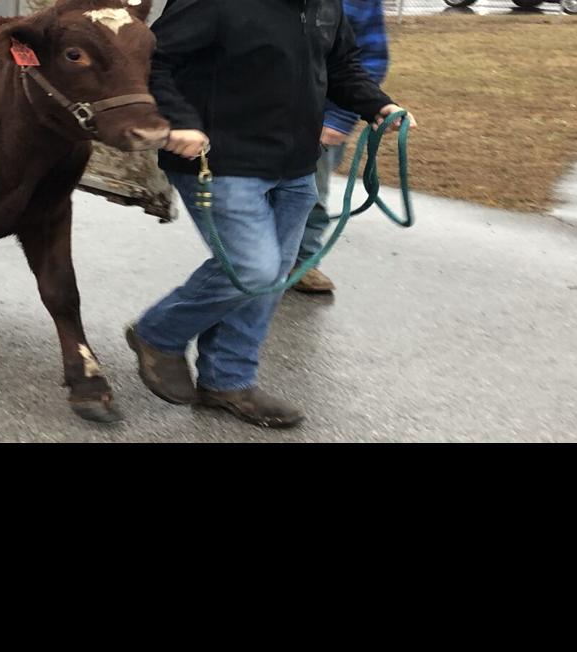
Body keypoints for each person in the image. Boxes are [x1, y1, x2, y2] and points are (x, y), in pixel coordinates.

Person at [126, 0, 410, 429]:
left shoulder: (325, 5)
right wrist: (179, 121)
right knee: (252, 270)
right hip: (219, 160)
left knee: (273, 277)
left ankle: (228, 380)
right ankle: (158, 333)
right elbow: (154, 61)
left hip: (295, 164)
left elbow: (341, 65)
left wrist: (378, 105)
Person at [292, 0, 389, 296]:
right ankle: (251, 263)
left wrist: (340, 117)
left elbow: (369, 59)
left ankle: (302, 263)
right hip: (259, 115)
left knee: (310, 195)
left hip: (322, 118)